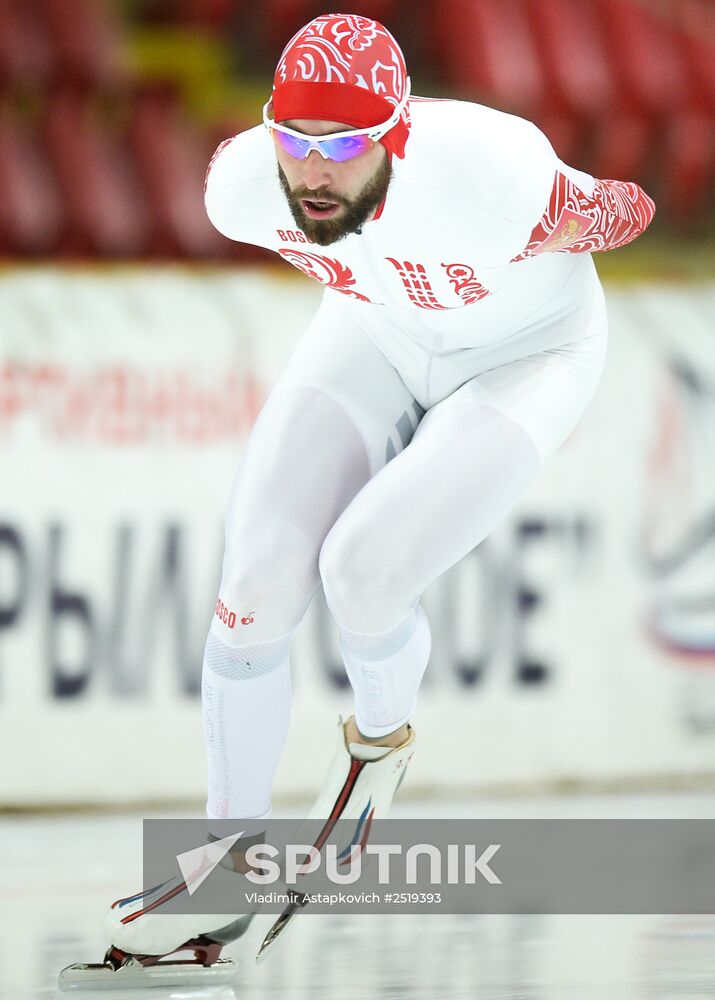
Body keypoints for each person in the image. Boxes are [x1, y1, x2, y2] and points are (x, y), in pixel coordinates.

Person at [72, 11, 655, 983]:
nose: (312, 171)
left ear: (396, 134)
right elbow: (295, 181)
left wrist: (581, 217)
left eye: (342, 146)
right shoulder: (240, 189)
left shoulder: (491, 174)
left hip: (528, 354)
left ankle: (378, 751)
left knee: (363, 573)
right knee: (254, 581)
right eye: (293, 138)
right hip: (378, 332)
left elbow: (628, 208)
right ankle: (227, 865)